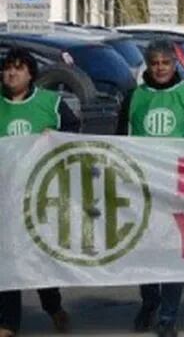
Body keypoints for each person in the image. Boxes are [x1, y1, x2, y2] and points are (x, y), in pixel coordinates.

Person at [117, 39, 184, 337]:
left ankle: (168, 315)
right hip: (143, 184)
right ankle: (150, 301)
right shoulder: (134, 97)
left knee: (172, 250)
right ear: (149, 65)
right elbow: (120, 139)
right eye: (155, 63)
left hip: (178, 185)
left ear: (175, 64)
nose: (160, 68)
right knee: (145, 249)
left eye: (166, 63)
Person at [0, 48, 77, 337]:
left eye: (18, 68)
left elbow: (73, 133)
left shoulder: (50, 103)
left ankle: (53, 307)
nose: (11, 73)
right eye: (7, 68)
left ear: (30, 74)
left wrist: (52, 138)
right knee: (7, 259)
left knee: (37, 259)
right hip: (3, 196)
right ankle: (8, 323)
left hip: (39, 196)